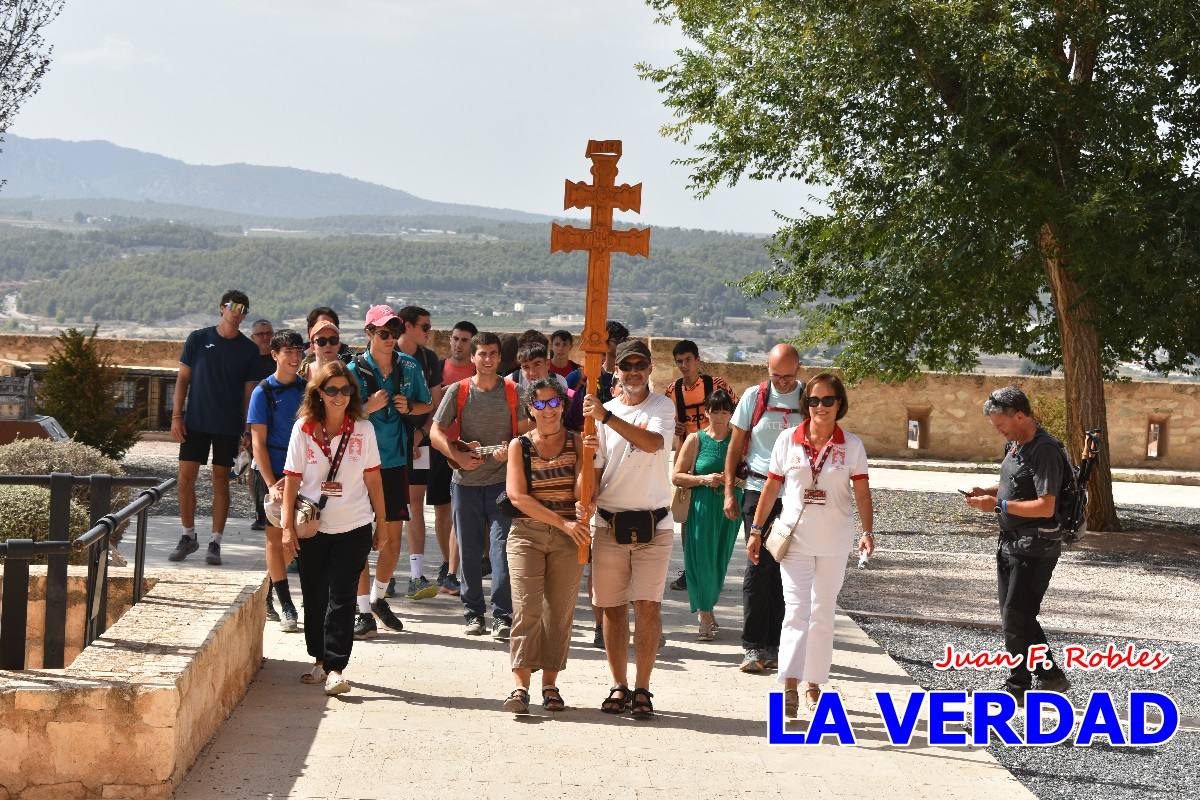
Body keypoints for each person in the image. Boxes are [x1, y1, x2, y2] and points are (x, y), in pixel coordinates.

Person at [747, 373, 874, 718]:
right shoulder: (788, 440)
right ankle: (789, 681)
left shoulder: (852, 446)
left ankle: (814, 684)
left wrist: (868, 531)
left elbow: (862, 492)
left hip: (834, 541)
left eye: (828, 401)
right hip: (796, 539)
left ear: (839, 404)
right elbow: (771, 488)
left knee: (822, 613)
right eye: (814, 401)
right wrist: (757, 530)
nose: (820, 407)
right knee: (797, 609)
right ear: (806, 405)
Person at [280, 360, 387, 696]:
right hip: (312, 526)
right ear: (319, 393)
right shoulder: (304, 429)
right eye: (332, 390)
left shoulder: (364, 430)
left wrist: (381, 522)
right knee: (314, 595)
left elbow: (373, 477)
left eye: (345, 390)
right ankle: (318, 659)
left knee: (342, 597)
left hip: (354, 524)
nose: (339, 396)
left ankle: (336, 667)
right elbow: (293, 481)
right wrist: (286, 528)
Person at [582, 339, 675, 720]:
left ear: (650, 368)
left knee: (648, 606)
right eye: (626, 365)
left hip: (654, 522)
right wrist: (583, 494)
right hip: (609, 522)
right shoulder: (604, 415)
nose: (633, 371)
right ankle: (618, 684)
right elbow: (599, 470)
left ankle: (643, 688)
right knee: (611, 609)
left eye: (640, 364)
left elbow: (653, 443)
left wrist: (605, 418)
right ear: (615, 370)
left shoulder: (661, 407)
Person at [965, 385, 1073, 702]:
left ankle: (1023, 684)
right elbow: (1011, 489)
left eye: (1002, 424)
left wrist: (997, 506)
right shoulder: (1014, 446)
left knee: (1017, 615)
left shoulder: (1045, 451)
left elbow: (1045, 506)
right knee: (1015, 615)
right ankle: (1043, 677)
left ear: (1021, 415)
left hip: (1037, 545)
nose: (1000, 431)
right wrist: (986, 492)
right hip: (1010, 542)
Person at [499, 378, 590, 714]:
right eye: (541, 404)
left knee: (559, 612)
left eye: (555, 404)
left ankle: (550, 684)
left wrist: (588, 461)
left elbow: (582, 488)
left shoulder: (578, 441)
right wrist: (562, 522)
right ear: (530, 409)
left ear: (563, 407)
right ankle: (519, 686)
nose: (549, 410)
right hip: (527, 534)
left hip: (569, 538)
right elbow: (517, 496)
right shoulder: (519, 445)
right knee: (527, 608)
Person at [431, 331, 528, 639]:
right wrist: (455, 457)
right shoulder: (458, 391)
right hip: (465, 484)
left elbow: (526, 434)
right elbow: (435, 432)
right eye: (482, 354)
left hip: (502, 484)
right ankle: (473, 613)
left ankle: (502, 616)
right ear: (472, 357)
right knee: (470, 553)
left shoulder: (513, 391)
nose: (487, 360)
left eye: (493, 354)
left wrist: (510, 450)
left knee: (501, 552)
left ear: (500, 357)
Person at [347, 305, 432, 639]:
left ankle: (378, 598)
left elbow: (427, 404)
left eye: (394, 333)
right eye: (383, 333)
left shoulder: (409, 366)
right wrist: (368, 408)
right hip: (358, 465)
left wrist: (409, 407)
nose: (390, 339)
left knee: (392, 541)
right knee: (357, 540)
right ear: (368, 333)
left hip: (395, 462)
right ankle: (363, 613)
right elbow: (336, 414)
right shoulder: (351, 370)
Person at [722, 343, 804, 673]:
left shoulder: (808, 399)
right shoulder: (753, 398)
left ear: (799, 370)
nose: (782, 383)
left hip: (795, 495)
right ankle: (754, 646)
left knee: (788, 570)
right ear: (766, 370)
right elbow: (735, 445)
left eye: (788, 377)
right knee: (759, 566)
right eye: (775, 376)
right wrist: (729, 490)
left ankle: (778, 645)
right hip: (758, 491)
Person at [168, 289, 261, 566]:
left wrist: (247, 432)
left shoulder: (248, 350)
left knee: (221, 481)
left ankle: (215, 542)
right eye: (234, 306)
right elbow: (183, 380)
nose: (238, 312)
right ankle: (188, 536)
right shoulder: (198, 339)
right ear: (222, 307)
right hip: (195, 422)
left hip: (227, 425)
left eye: (244, 308)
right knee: (185, 479)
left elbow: (248, 394)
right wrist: (176, 417)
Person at [247, 330, 307, 631]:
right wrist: (272, 483)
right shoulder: (263, 392)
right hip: (270, 471)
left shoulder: (308, 389)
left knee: (296, 537)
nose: (295, 357)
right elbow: (257, 443)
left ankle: (272, 591)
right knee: (274, 537)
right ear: (275, 355)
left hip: (300, 473)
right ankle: (286, 604)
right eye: (289, 352)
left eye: (299, 351)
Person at [671, 389, 741, 640]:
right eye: (715, 411)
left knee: (719, 560)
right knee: (701, 559)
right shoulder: (695, 439)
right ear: (707, 412)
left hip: (730, 506)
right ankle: (705, 616)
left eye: (725, 411)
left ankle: (708, 607)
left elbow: (749, 473)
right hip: (701, 505)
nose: (720, 417)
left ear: (731, 413)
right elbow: (677, 476)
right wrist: (703, 478)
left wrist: (735, 482)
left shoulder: (739, 439)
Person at [665, 339, 732, 591]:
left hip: (715, 450)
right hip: (689, 453)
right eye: (679, 362)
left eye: (688, 360)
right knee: (686, 513)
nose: (684, 365)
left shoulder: (715, 385)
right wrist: (675, 426)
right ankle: (690, 568)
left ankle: (713, 567)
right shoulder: (672, 391)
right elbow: (665, 420)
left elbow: (732, 410)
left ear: (697, 359)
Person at [395, 305, 448, 601]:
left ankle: (416, 574)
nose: (430, 332)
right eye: (425, 327)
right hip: (388, 441)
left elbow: (436, 403)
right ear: (407, 326)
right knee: (382, 504)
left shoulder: (429, 359)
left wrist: (420, 434)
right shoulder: (383, 354)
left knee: (415, 502)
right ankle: (384, 576)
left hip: (419, 440)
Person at [431, 320, 477, 595]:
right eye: (456, 339)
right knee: (442, 509)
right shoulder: (437, 369)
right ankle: (447, 563)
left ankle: (456, 569)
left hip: (469, 446)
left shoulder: (478, 372)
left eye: (465, 340)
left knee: (464, 510)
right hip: (441, 446)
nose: (459, 344)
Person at [247, 318, 277, 532]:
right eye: (261, 334)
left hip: (276, 422)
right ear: (252, 338)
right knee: (253, 467)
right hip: (255, 422)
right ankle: (259, 510)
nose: (266, 337)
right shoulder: (247, 361)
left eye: (269, 333)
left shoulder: (279, 359)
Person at [301, 316, 346, 381]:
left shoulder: (348, 373)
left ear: (339, 345)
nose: (328, 345)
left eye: (333, 340)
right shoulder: (303, 372)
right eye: (321, 341)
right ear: (312, 347)